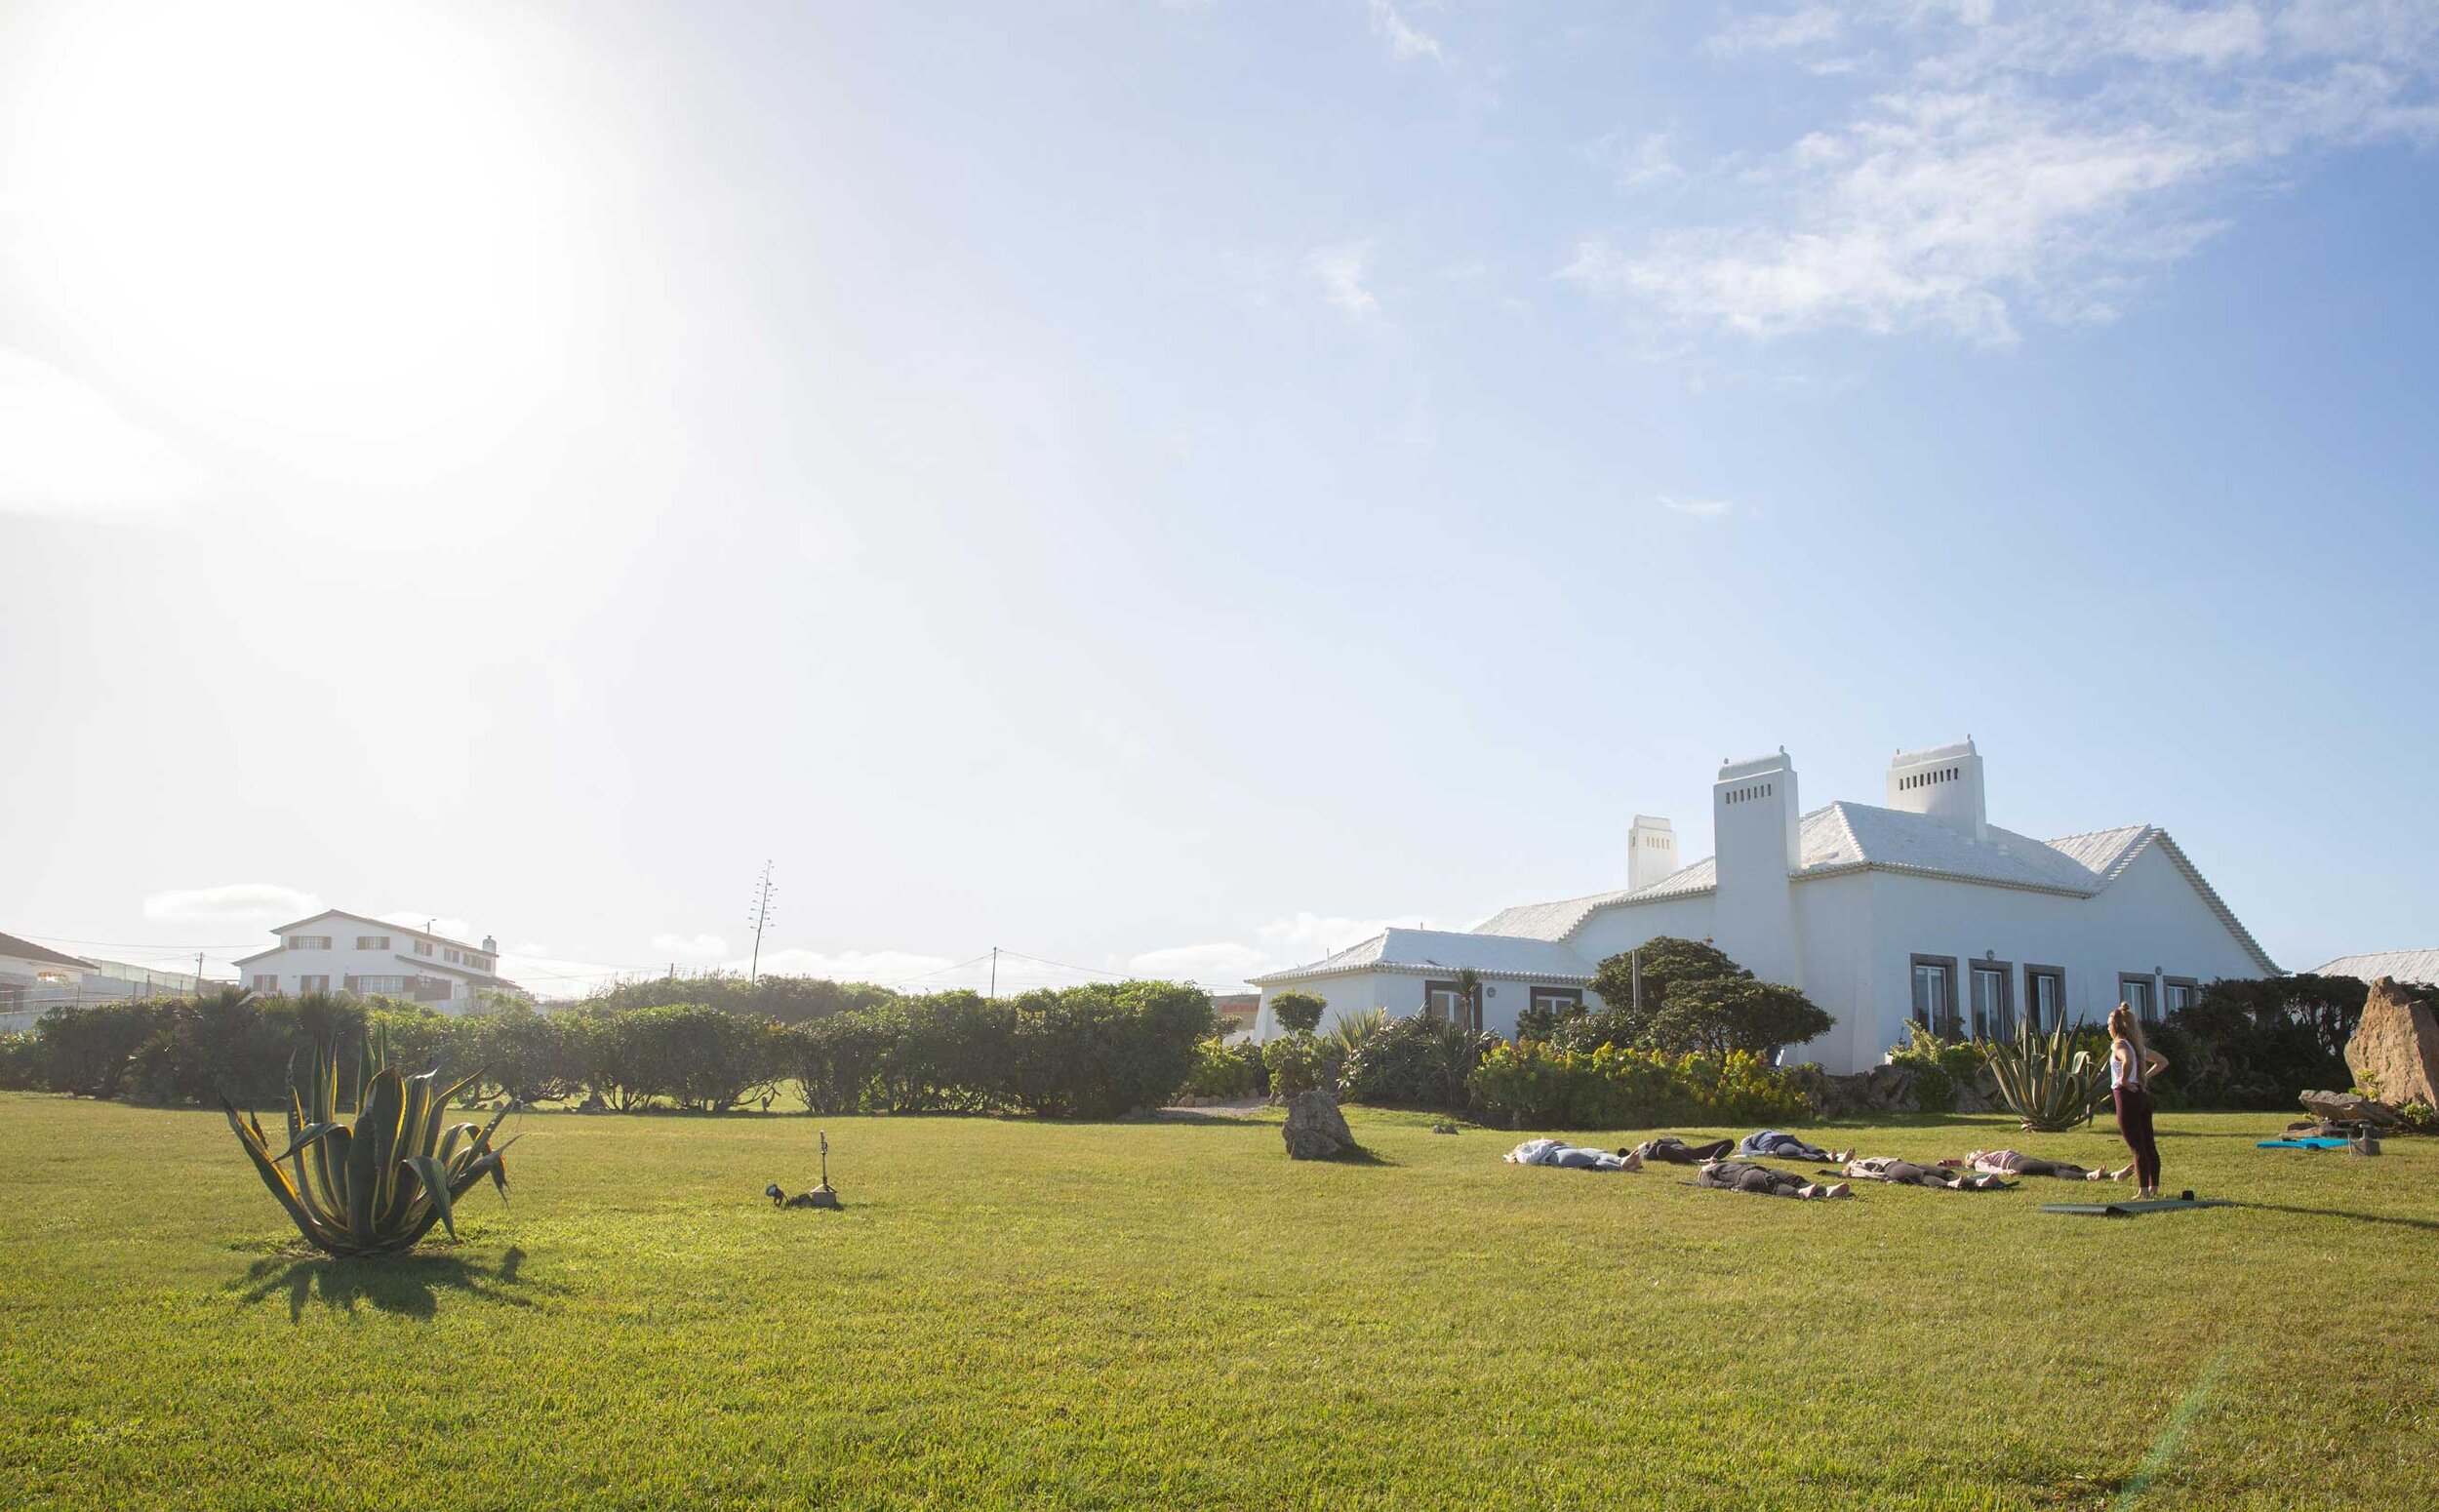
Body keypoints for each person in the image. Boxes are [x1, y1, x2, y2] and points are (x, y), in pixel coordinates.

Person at [2108, 1003, 2170, 1199]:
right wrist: (2144, 1078)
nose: (2108, 1028)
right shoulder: (2138, 1046)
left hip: (2126, 1097)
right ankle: (2153, 1188)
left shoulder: (2119, 1044)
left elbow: (2125, 1060)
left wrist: (2124, 1080)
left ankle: (2143, 1191)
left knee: (2137, 1147)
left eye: (2109, 1024)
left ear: (2116, 1027)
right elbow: (2162, 1061)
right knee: (2149, 1145)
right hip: (2142, 1096)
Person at [1694, 1159, 1849, 1200]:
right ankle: (1800, 1193)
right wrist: (1731, 1187)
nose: (1712, 1161)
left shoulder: (1721, 1164)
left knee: (1793, 1177)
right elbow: (1714, 1184)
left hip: (1757, 1169)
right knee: (1772, 1183)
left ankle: (1827, 1191)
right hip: (1745, 1178)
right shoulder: (1705, 1174)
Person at [1844, 1156, 2009, 1191]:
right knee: (1921, 1175)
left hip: (1904, 1163)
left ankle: (1972, 1180)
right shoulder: (1855, 1166)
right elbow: (1868, 1175)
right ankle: (1951, 1185)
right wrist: (1886, 1179)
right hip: (1891, 1169)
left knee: (1942, 1171)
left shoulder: (1867, 1158)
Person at [1960, 1149, 2131, 1182]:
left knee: (2069, 1166)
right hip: (2017, 1164)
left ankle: (2112, 1175)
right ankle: (2088, 1176)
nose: (1977, 1151)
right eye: (1972, 1153)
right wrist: (2004, 1171)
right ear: (1972, 1161)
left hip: (2024, 1159)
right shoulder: (1980, 1163)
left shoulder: (1987, 1155)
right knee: (2053, 1170)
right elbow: (1989, 1170)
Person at [1733, 1130, 1855, 1163]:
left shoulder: (1760, 1133)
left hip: (1788, 1138)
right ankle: (1827, 1159)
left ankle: (1838, 1157)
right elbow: (1749, 1153)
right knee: (1799, 1152)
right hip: (1776, 1146)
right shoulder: (1745, 1143)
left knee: (1813, 1149)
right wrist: (1765, 1153)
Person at [1623, 1135, 1735, 1165]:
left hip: (1694, 1152)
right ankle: (1693, 1162)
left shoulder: (1667, 1142)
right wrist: (1644, 1146)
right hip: (1681, 1155)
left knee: (1729, 1142)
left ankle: (1713, 1159)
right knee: (1661, 1149)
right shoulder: (1646, 1153)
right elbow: (1651, 1155)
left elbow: (1677, 1141)